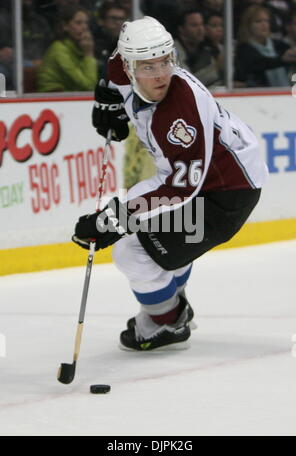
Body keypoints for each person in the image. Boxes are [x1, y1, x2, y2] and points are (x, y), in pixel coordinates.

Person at [72, 16, 268, 351]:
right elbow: (113, 67)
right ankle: (174, 304)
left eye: (165, 62)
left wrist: (114, 219)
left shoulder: (179, 115)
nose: (161, 73)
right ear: (131, 66)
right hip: (210, 181)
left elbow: (179, 191)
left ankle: (169, 320)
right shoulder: (123, 64)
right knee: (150, 234)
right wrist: (107, 97)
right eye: (148, 67)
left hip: (223, 197)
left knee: (130, 250)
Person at [234, 5, 296, 87]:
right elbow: (258, 63)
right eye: (258, 21)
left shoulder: (281, 45)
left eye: (266, 21)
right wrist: (282, 59)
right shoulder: (243, 49)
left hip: (288, 92)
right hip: (261, 94)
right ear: (248, 25)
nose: (264, 24)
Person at [37, 5, 98, 92]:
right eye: (78, 23)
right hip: (52, 95)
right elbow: (89, 85)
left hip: (70, 93)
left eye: (86, 23)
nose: (85, 27)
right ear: (65, 26)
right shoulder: (59, 49)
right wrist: (89, 54)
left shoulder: (80, 47)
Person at [174, 9, 224, 88]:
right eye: (194, 25)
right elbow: (188, 82)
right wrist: (216, 67)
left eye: (202, 24)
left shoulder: (207, 48)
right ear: (181, 29)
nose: (200, 29)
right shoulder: (173, 50)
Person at [93, 2, 127, 75]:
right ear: (101, 21)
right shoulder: (91, 44)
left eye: (121, 19)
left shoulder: (126, 44)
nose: (118, 23)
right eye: (113, 18)